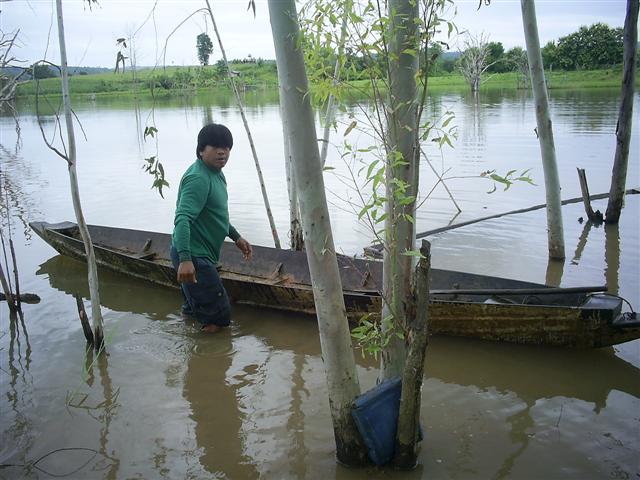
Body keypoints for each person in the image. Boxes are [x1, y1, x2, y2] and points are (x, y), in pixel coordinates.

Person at [170, 123, 252, 333]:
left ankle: (189, 343)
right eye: (215, 146)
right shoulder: (198, 178)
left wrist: (236, 237)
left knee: (193, 309)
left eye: (226, 146)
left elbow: (215, 215)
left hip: (197, 255)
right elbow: (182, 219)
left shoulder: (216, 172)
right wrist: (186, 259)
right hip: (195, 257)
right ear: (201, 150)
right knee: (218, 319)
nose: (222, 151)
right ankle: (208, 357)